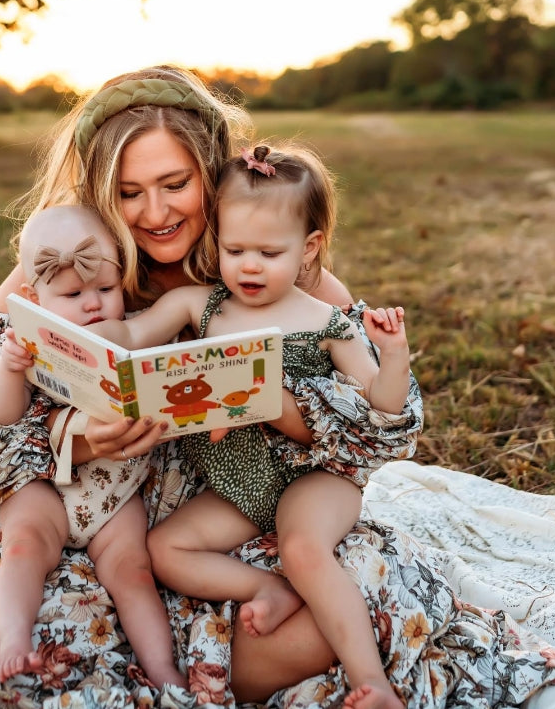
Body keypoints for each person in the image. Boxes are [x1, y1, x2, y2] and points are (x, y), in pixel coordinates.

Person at [0, 64, 555, 707]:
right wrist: (80, 438)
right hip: (90, 517)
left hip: (235, 505)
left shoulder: (275, 271)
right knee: (41, 649)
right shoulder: (66, 263)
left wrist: (288, 412)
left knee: (355, 595)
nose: (155, 212)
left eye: (175, 184)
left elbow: (384, 431)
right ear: (99, 192)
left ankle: (213, 661)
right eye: (129, 192)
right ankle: (162, 663)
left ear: (210, 173)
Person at [85, 143, 410, 709]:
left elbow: (383, 409)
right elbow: (130, 339)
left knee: (302, 546)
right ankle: (268, 588)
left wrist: (393, 352)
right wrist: (75, 324)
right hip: (237, 482)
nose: (249, 266)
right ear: (217, 242)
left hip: (313, 477)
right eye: (235, 249)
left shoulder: (328, 323)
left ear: (308, 249)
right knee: (164, 548)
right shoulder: (201, 306)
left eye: (268, 251)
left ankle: (372, 683)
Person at [0, 204, 185, 688]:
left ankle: (162, 668)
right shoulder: (24, 341)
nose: (93, 305)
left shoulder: (130, 331)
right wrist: (10, 370)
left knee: (133, 570)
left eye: (106, 290)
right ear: (32, 297)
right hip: (46, 489)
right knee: (24, 546)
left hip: (115, 492)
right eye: (73, 294)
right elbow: (3, 417)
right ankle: (13, 642)